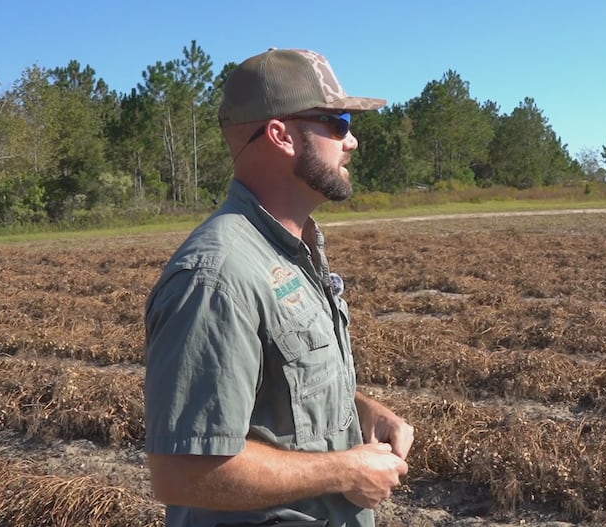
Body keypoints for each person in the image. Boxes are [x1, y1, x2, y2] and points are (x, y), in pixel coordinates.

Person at [143, 48, 414, 527]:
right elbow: (182, 472)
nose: (350, 141)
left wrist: (360, 411)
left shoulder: (290, 250)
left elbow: (274, 393)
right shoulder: (218, 277)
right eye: (337, 122)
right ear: (280, 134)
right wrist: (344, 469)